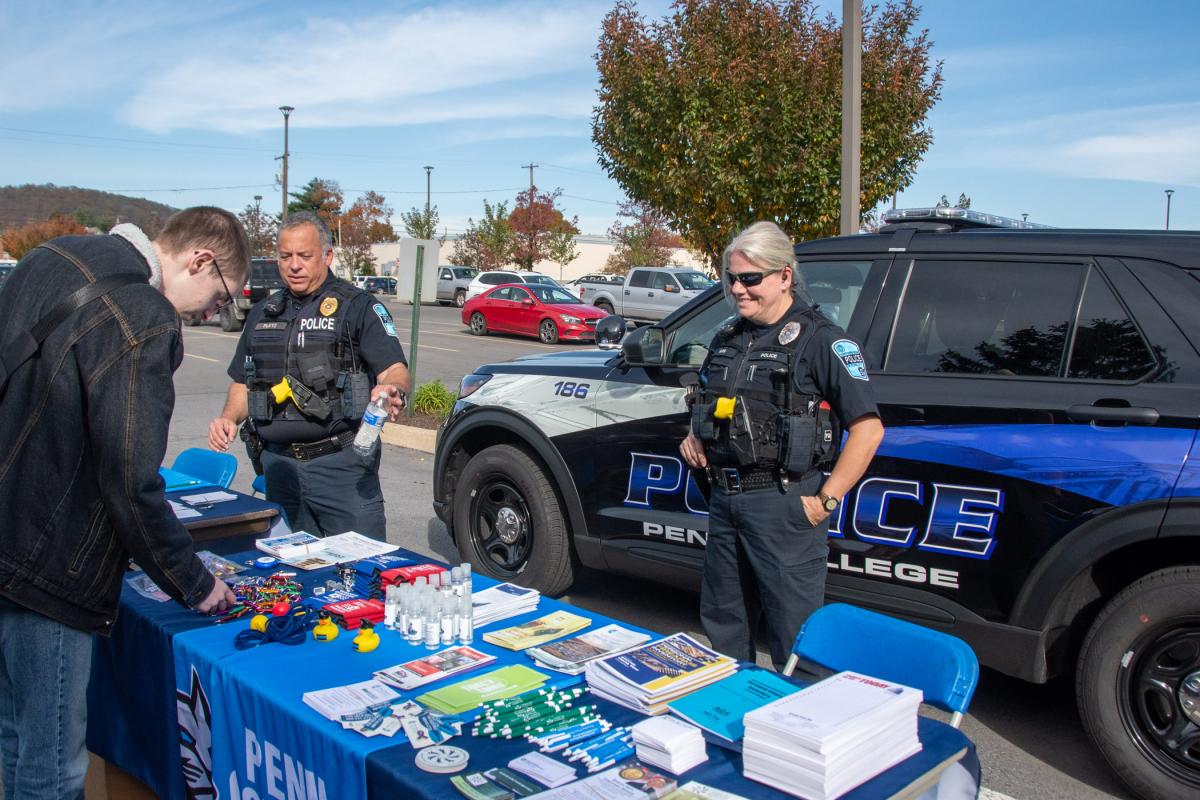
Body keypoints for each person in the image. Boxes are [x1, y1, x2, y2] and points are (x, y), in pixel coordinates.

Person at [0, 207, 247, 799]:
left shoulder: (53, 254)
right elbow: (131, 479)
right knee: (53, 770)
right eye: (220, 298)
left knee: (15, 740)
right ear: (199, 260)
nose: (214, 314)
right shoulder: (144, 315)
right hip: (50, 569)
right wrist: (196, 582)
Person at [679, 221, 884, 668]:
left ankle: (796, 730)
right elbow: (722, 405)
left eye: (751, 279)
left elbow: (868, 430)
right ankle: (731, 717)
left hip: (785, 502)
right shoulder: (728, 338)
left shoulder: (823, 341)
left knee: (795, 639)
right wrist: (696, 435)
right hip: (726, 499)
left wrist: (825, 502)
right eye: (731, 278)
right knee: (723, 621)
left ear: (785, 276)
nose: (738, 289)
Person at [208, 211, 409, 539]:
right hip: (279, 468)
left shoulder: (357, 307)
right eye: (286, 256)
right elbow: (244, 381)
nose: (294, 265)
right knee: (290, 571)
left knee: (363, 570)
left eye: (304, 255)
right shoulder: (261, 314)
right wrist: (228, 418)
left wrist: (391, 389)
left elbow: (395, 369)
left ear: (327, 255)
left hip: (341, 467)